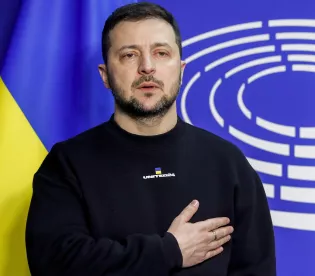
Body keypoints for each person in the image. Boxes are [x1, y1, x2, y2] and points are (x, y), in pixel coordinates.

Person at [25, 2, 276, 275]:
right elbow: (54, 264)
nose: (147, 67)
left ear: (181, 69)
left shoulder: (229, 163)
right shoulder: (67, 164)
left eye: (161, 53)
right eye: (129, 55)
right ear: (105, 74)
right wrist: (169, 251)